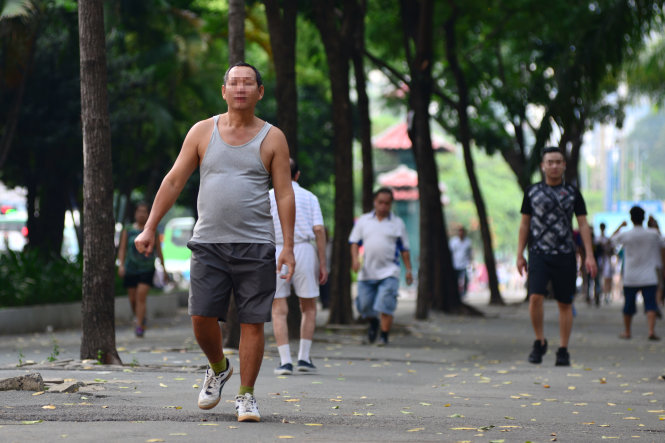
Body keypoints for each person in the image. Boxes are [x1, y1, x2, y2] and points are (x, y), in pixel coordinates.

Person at [134, 62, 295, 423]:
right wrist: (149, 227)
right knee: (200, 316)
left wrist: (286, 245)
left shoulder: (273, 138)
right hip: (208, 243)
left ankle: (247, 396)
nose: (240, 89)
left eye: (247, 83)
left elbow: (284, 194)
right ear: (223, 91)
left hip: (256, 244)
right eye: (234, 83)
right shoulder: (202, 132)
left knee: (253, 321)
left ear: (259, 92)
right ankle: (219, 367)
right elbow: (174, 180)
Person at [516, 146, 596, 367]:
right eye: (549, 162)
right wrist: (520, 254)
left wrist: (589, 255)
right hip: (538, 253)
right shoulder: (532, 192)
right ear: (542, 166)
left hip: (565, 255)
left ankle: (563, 349)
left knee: (564, 303)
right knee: (535, 298)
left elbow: (582, 224)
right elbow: (524, 224)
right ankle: (539, 341)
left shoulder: (572, 193)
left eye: (558, 162)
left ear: (564, 165)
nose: (553, 166)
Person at [269, 158, 328, 375]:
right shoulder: (309, 197)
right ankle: (303, 358)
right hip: (304, 249)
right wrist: (322, 262)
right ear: (298, 174)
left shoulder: (269, 196)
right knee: (309, 307)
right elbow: (319, 230)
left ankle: (285, 361)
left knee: (278, 308)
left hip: (276, 251)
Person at [349, 187, 413, 346]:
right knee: (363, 306)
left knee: (386, 304)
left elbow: (404, 249)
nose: (383, 206)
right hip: (367, 272)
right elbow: (354, 242)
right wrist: (355, 260)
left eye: (387, 203)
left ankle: (384, 336)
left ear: (391, 204)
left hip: (389, 272)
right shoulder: (364, 221)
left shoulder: (397, 223)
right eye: (380, 202)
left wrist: (409, 270)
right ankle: (373, 323)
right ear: (374, 202)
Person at [611, 207, 665, 341]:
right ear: (644, 218)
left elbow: (612, 240)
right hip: (649, 276)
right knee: (651, 304)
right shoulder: (652, 233)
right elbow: (662, 241)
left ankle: (627, 331)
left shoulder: (627, 234)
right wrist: (655, 225)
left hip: (631, 276)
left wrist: (620, 226)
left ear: (631, 218)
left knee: (628, 305)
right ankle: (651, 330)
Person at [117, 202, 167, 338]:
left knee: (141, 296)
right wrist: (121, 265)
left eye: (144, 211)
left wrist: (164, 268)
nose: (141, 214)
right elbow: (122, 249)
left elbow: (158, 250)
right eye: (139, 211)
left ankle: (139, 326)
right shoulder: (128, 230)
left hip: (147, 268)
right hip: (131, 268)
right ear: (135, 213)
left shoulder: (152, 231)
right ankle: (140, 317)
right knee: (132, 299)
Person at [449, 226, 473, 298]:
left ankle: (464, 293)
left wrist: (470, 261)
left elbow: (470, 253)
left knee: (466, 278)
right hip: (455, 264)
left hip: (465, 264)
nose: (461, 234)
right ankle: (456, 293)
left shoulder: (468, 242)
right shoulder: (453, 242)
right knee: (455, 280)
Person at [596, 223, 615, 305]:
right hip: (600, 260)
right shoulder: (598, 239)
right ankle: (601, 294)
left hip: (606, 260)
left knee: (607, 279)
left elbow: (611, 249)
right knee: (600, 279)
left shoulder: (606, 239)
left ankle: (606, 295)